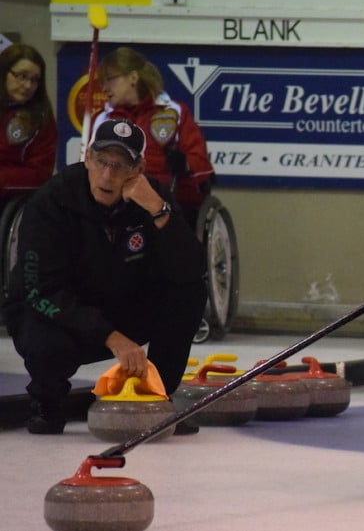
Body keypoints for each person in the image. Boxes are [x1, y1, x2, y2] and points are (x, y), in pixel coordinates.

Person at [3, 119, 207, 434]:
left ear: (137, 169)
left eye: (120, 165)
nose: (108, 175)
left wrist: (158, 208)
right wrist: (111, 337)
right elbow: (42, 291)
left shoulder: (151, 198)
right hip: (59, 313)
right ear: (87, 157)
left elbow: (191, 271)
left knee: (188, 292)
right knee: (43, 330)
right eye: (101, 162)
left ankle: (158, 396)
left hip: (120, 302)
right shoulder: (51, 202)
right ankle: (47, 401)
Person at [94, 46, 214, 226]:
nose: (104, 88)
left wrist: (185, 164)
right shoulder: (103, 120)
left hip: (166, 201)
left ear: (133, 78)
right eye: (102, 81)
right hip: (117, 201)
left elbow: (201, 163)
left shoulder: (173, 112)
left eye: (110, 79)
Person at [0, 43, 56, 195]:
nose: (28, 85)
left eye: (35, 80)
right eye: (22, 76)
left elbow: (39, 175)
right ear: (4, 72)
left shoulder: (41, 118)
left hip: (11, 198)